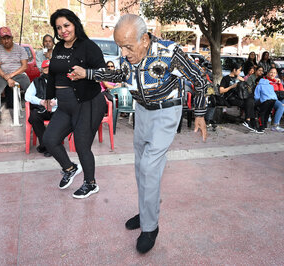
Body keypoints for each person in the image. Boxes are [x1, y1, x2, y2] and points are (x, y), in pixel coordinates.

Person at [69, 14, 207, 254]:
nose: (123, 53)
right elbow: (118, 75)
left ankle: (151, 227)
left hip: (166, 112)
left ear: (144, 39)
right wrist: (88, 73)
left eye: (128, 47)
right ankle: (146, 213)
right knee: (140, 166)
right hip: (142, 111)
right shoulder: (128, 55)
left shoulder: (169, 52)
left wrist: (200, 113)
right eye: (120, 47)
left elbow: (199, 79)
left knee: (150, 167)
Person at [43, 9, 107, 199]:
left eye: (66, 25)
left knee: (81, 145)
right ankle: (70, 168)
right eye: (59, 27)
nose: (63, 30)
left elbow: (104, 73)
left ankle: (90, 183)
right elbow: (53, 73)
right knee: (49, 139)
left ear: (75, 24)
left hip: (87, 103)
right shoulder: (59, 48)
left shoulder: (89, 46)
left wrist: (86, 73)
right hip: (64, 106)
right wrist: (48, 96)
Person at [0, 26, 30, 123]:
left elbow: (24, 66)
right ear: (0, 40)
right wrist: (6, 77)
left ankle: (34, 110)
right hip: (3, 75)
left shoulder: (20, 49)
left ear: (12, 38)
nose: (6, 41)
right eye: (3, 38)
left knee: (29, 89)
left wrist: (10, 76)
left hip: (19, 73)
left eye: (8, 38)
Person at [25, 60, 56, 157]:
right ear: (42, 70)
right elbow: (27, 96)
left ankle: (48, 145)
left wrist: (56, 102)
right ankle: (47, 145)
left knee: (62, 118)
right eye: (45, 69)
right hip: (42, 109)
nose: (48, 70)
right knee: (34, 117)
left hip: (57, 109)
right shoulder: (36, 81)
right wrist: (41, 101)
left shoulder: (60, 80)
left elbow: (67, 96)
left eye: (50, 68)